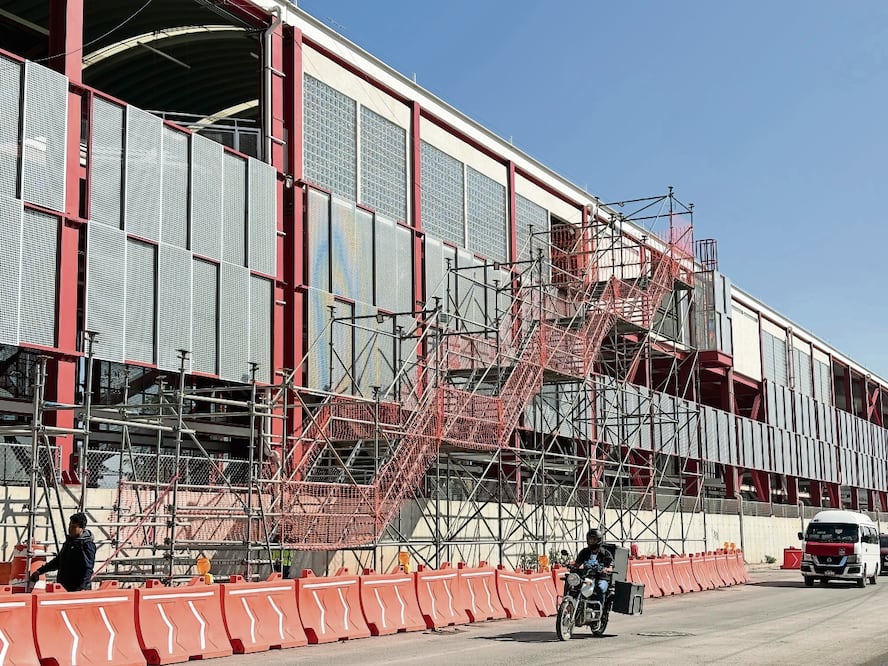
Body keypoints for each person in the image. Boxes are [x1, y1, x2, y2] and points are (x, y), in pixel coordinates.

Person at [30, 513, 96, 592]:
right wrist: (40, 571)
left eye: (74, 527)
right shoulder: (70, 541)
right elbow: (59, 561)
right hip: (64, 587)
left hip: (77, 589)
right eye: (70, 526)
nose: (70, 529)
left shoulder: (86, 544)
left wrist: (82, 587)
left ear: (82, 528)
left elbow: (88, 568)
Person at [575, 528, 614, 607]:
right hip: (587, 577)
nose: (591, 542)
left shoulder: (605, 553)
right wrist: (571, 566)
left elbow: (610, 567)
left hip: (601, 578)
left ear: (599, 540)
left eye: (593, 540)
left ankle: (600, 610)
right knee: (575, 586)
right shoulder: (584, 552)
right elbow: (577, 564)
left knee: (600, 587)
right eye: (589, 539)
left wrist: (606, 569)